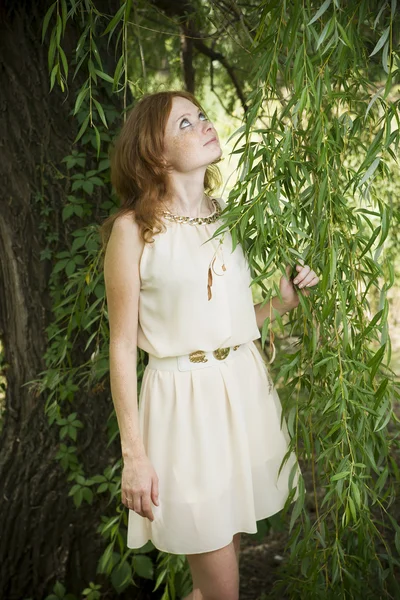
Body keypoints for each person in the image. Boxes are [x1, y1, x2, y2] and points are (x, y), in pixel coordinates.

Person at [101, 90, 319, 600]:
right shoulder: (133, 232)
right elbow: (120, 344)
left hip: (241, 394)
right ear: (155, 152)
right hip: (183, 408)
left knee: (227, 560)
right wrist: (134, 454)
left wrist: (282, 304)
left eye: (201, 115)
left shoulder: (229, 217)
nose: (204, 124)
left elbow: (231, 325)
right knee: (223, 587)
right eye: (184, 123)